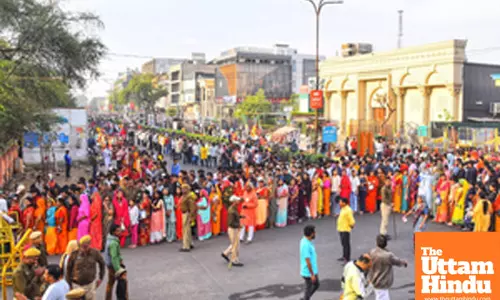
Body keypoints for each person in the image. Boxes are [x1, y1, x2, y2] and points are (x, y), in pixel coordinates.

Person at [65, 235, 106, 300]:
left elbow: (102, 264)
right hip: (76, 285)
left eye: (86, 247)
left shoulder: (95, 253)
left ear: (90, 244)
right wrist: (69, 284)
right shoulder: (74, 254)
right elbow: (68, 269)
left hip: (90, 285)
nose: (84, 249)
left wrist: (100, 278)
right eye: (82, 247)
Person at [368, 235, 408, 300]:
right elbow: (397, 261)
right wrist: (404, 263)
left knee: (380, 296)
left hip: (374, 279)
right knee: (382, 297)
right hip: (383, 281)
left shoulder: (372, 252)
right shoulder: (388, 256)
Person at [221, 195, 244, 267]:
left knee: (235, 243)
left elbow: (234, 217)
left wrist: (240, 217)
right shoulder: (232, 210)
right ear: (234, 201)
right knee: (235, 245)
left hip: (234, 228)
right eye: (237, 200)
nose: (239, 201)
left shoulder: (233, 208)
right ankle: (234, 260)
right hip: (233, 229)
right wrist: (238, 225)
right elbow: (230, 223)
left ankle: (225, 253)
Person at [105, 224, 124, 300]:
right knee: (121, 283)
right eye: (118, 231)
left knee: (110, 283)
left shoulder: (110, 239)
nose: (120, 232)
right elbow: (114, 257)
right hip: (113, 266)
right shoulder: (113, 243)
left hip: (110, 265)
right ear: (113, 232)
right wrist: (118, 269)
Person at [300, 225, 319, 300]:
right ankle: (305, 298)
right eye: (314, 232)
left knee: (316, 284)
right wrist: (312, 274)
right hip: (308, 272)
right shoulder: (305, 244)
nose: (315, 234)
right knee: (309, 288)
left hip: (313, 270)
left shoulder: (306, 240)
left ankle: (305, 298)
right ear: (311, 234)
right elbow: (307, 260)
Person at [179, 184, 197, 252]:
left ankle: (186, 246)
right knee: (187, 230)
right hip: (184, 213)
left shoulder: (189, 197)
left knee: (185, 230)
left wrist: (192, 216)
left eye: (184, 188)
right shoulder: (185, 196)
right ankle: (189, 243)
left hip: (187, 213)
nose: (182, 190)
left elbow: (192, 207)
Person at [337, 197, 355, 263]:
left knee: (346, 244)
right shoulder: (343, 209)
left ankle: (347, 258)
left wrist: (351, 225)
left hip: (345, 229)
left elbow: (351, 219)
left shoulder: (348, 210)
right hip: (341, 228)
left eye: (340, 202)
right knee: (343, 243)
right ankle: (344, 256)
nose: (339, 203)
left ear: (344, 203)